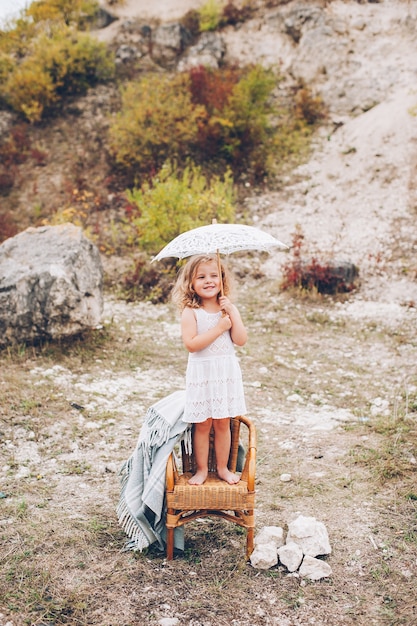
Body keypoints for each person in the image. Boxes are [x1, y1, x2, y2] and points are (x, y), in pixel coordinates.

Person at [172, 254, 247, 486]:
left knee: (223, 422)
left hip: (224, 372)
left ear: (222, 280)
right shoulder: (191, 311)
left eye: (214, 276)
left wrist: (232, 313)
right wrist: (219, 327)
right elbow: (192, 344)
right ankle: (202, 470)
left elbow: (241, 339)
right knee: (203, 424)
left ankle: (223, 468)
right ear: (191, 283)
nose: (208, 281)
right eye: (201, 277)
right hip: (203, 373)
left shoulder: (227, 310)